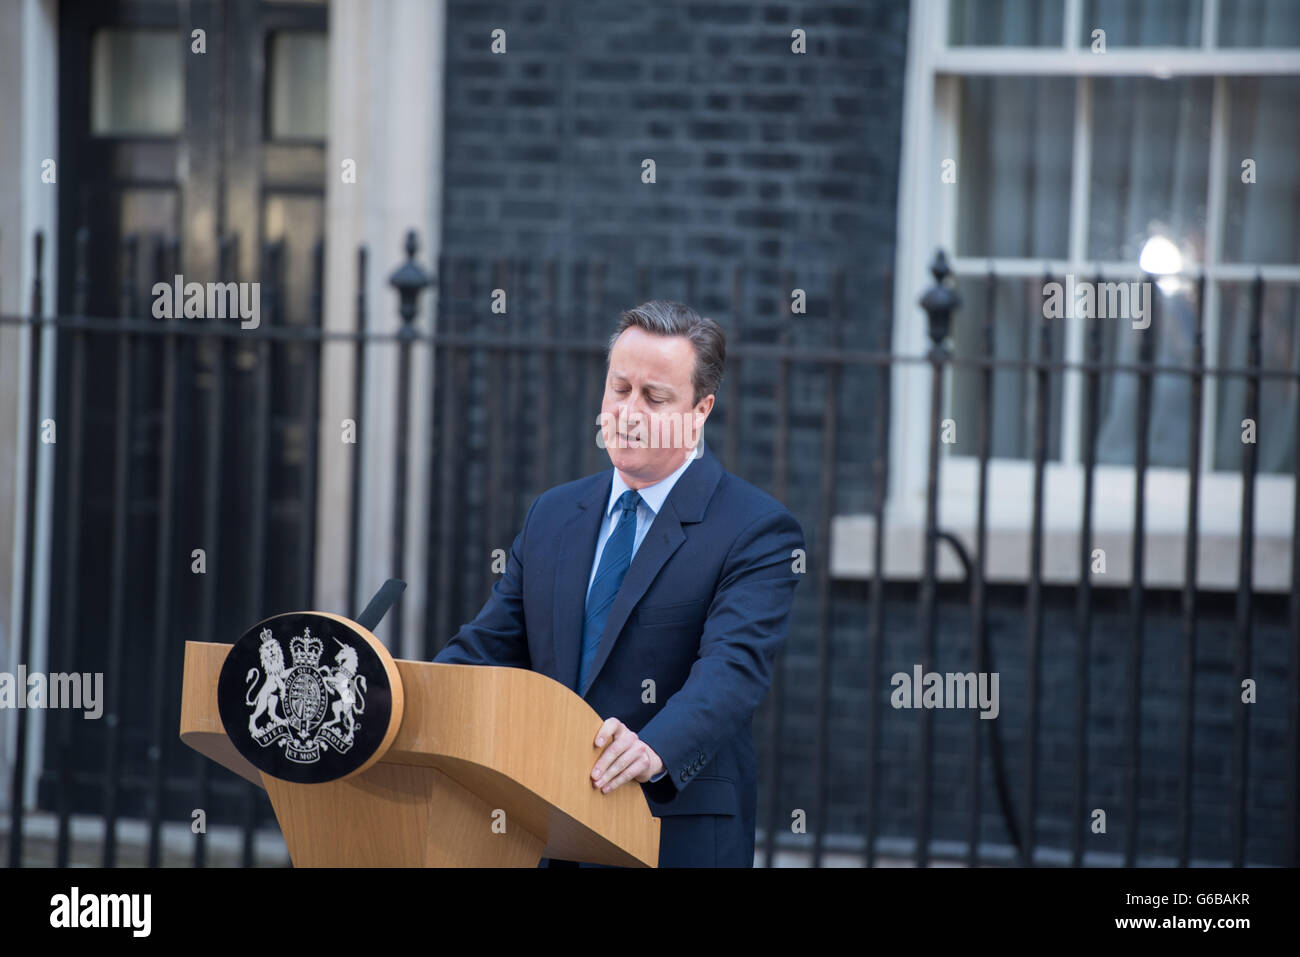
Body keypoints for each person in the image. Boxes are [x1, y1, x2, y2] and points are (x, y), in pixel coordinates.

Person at [433, 299, 805, 867]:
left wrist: (654, 747)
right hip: (542, 829)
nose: (629, 411)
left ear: (701, 410)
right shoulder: (553, 514)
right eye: (619, 388)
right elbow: (488, 649)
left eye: (655, 398)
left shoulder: (757, 529)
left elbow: (732, 671)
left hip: (668, 833)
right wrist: (398, 699)